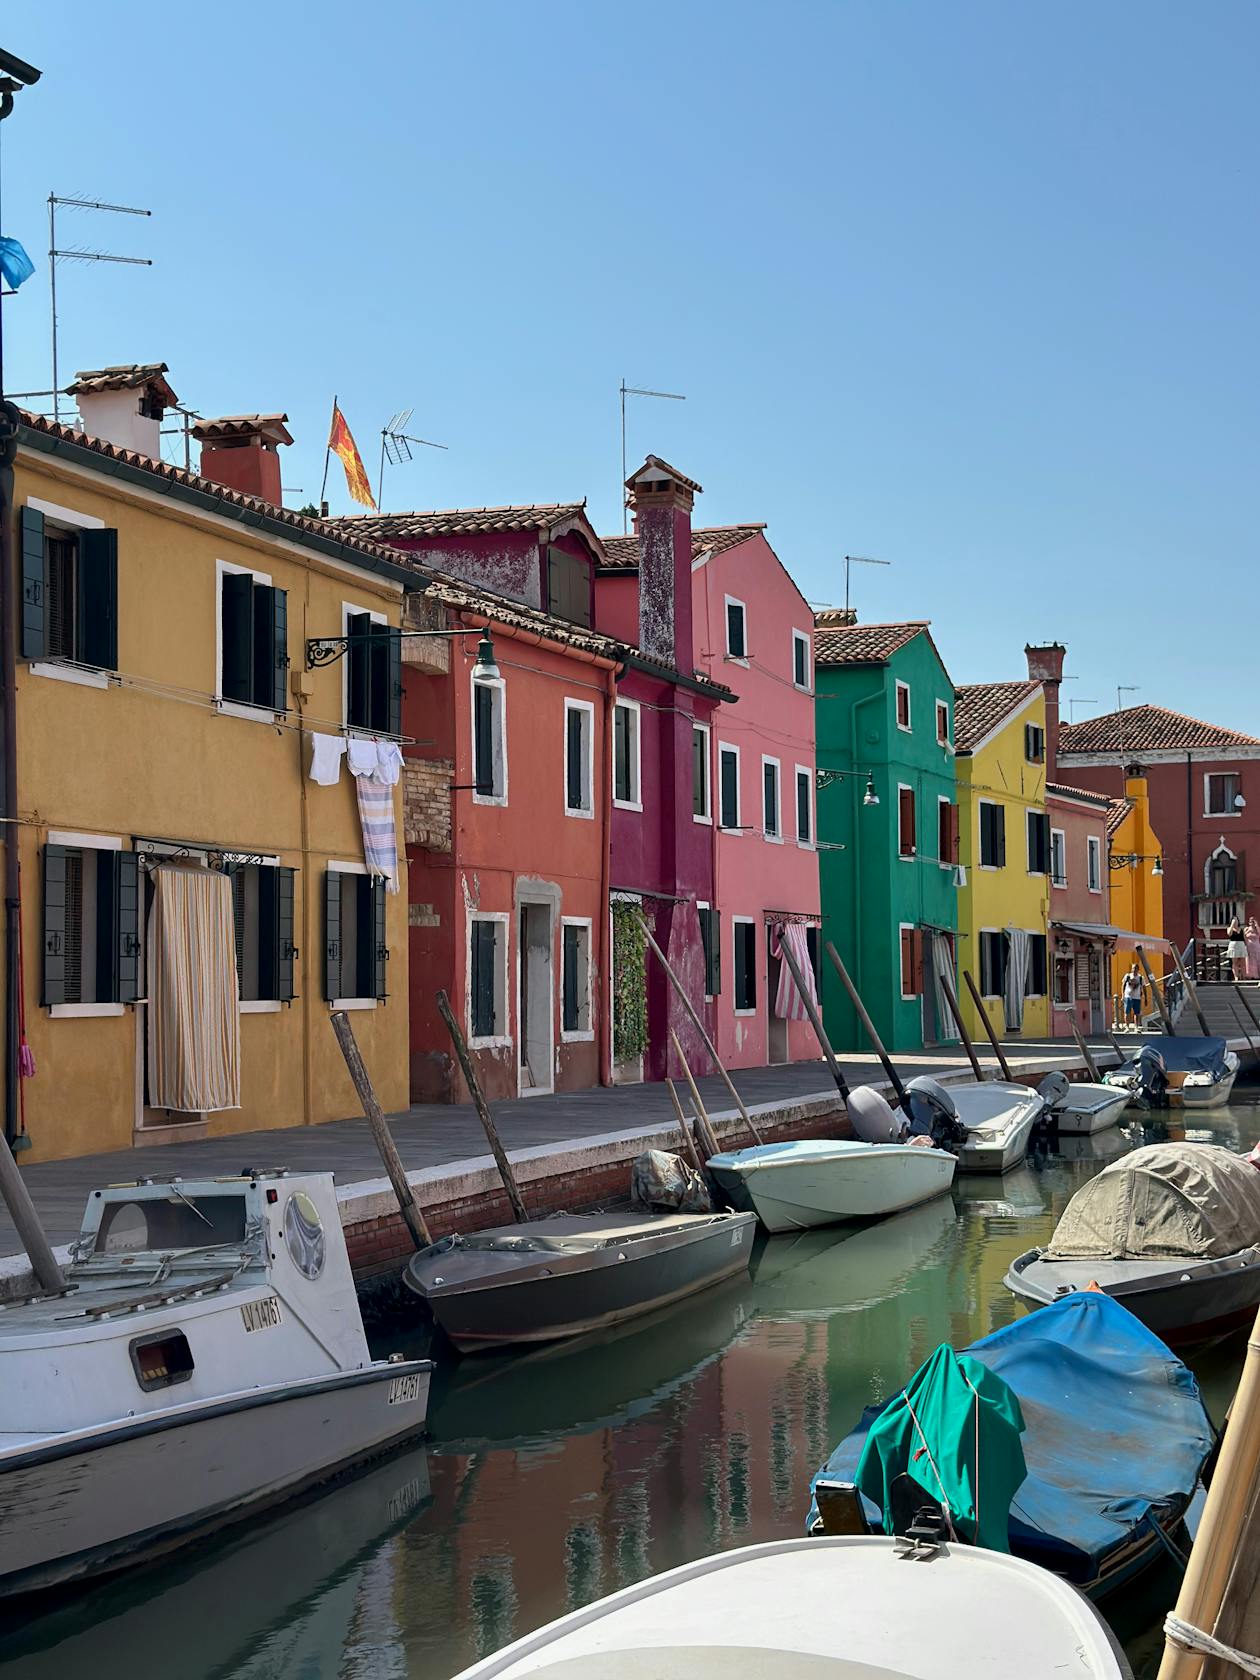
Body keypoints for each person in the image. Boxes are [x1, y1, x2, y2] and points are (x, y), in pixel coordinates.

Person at [1121, 964, 1144, 1029]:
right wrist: (1123, 995)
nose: (1134, 970)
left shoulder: (1140, 978)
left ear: (1138, 969)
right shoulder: (1127, 976)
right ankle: (1127, 1027)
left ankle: (1136, 1027)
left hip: (1137, 997)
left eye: (1136, 968)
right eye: (1133, 968)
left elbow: (1143, 987)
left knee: (1136, 1013)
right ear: (1131, 969)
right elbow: (1123, 985)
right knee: (1127, 1012)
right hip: (1128, 996)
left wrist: (1145, 998)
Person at [1227, 917, 1249, 982]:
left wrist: (1247, 946)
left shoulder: (1241, 929)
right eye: (1234, 920)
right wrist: (1232, 925)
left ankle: (1243, 976)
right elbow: (1229, 934)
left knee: (1242, 963)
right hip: (1233, 946)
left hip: (1241, 945)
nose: (1235, 921)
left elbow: (1245, 939)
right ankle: (1236, 976)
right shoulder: (1229, 929)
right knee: (1235, 963)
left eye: (1236, 920)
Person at [1246, 917, 1260, 981]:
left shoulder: (1257, 929)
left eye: (1253, 921)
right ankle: (1250, 975)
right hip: (1249, 945)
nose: (1252, 923)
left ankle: (1257, 975)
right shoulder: (1246, 928)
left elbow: (1259, 934)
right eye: (1250, 921)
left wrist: (1256, 926)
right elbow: (1244, 936)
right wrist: (1249, 930)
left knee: (1257, 960)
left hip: (1256, 946)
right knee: (1250, 960)